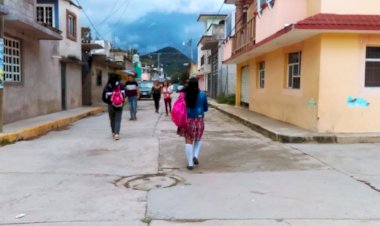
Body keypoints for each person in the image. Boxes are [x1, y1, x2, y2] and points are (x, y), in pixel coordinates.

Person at [177, 77, 208, 170]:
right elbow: (205, 108)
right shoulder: (203, 94)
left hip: (188, 120)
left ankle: (190, 164)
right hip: (199, 119)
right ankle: (195, 155)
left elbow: (179, 107)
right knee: (198, 138)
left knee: (188, 140)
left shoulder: (184, 95)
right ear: (197, 84)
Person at [102, 74, 125, 140]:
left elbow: (103, 98)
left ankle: (113, 132)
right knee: (118, 119)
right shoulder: (121, 86)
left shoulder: (107, 87)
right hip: (119, 105)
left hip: (110, 105)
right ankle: (117, 134)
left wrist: (109, 102)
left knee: (112, 119)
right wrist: (120, 102)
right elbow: (124, 96)